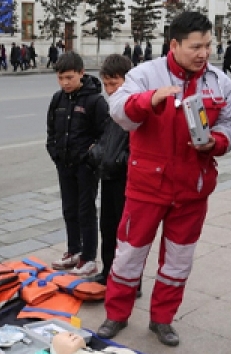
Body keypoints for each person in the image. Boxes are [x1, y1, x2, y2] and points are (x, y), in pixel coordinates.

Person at [100, 11, 231, 346]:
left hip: (193, 188)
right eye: (196, 46)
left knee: (178, 260)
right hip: (146, 187)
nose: (204, 53)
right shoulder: (145, 74)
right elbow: (118, 110)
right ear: (175, 44)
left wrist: (217, 142)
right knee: (128, 254)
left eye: (208, 45)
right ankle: (116, 315)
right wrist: (149, 100)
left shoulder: (219, 82)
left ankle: (162, 319)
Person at [46, 52, 109, 277]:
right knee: (69, 209)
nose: (65, 83)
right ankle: (74, 250)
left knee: (86, 211)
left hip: (86, 167)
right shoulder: (58, 99)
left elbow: (106, 134)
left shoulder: (95, 101)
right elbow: (51, 131)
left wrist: (92, 155)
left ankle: (89, 258)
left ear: (82, 73)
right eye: (61, 78)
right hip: (64, 165)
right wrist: (55, 153)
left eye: (70, 78)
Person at [91, 54, 137, 296]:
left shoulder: (135, 106)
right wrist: (98, 153)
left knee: (127, 233)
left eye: (114, 84)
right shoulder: (111, 106)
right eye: (106, 84)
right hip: (107, 176)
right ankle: (108, 270)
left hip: (127, 180)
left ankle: (131, 280)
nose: (109, 90)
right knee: (107, 227)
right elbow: (104, 138)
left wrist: (121, 160)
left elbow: (138, 146)